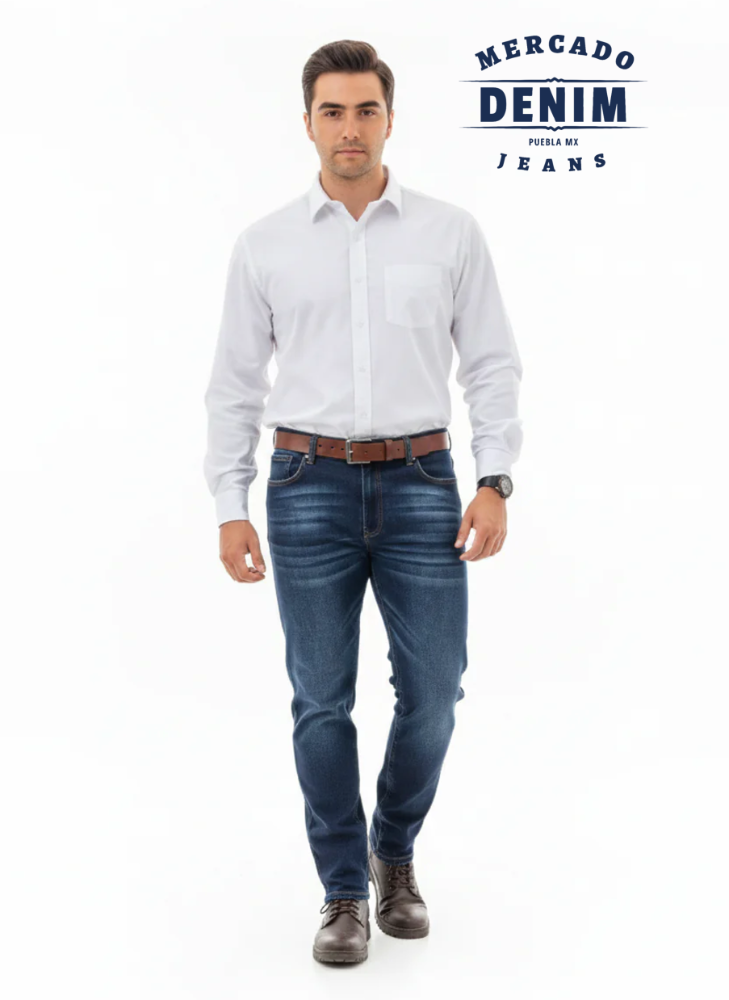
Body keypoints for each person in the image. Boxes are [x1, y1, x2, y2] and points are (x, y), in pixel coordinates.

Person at [203, 39, 523, 965]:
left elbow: (491, 365)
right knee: (319, 701)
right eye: (333, 112)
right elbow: (234, 386)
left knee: (435, 693)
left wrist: (494, 478)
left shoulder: (449, 232)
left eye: (366, 110)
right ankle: (343, 888)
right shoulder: (264, 244)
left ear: (389, 119)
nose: (350, 128)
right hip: (304, 487)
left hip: (423, 484)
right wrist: (229, 503)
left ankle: (394, 851)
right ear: (307, 123)